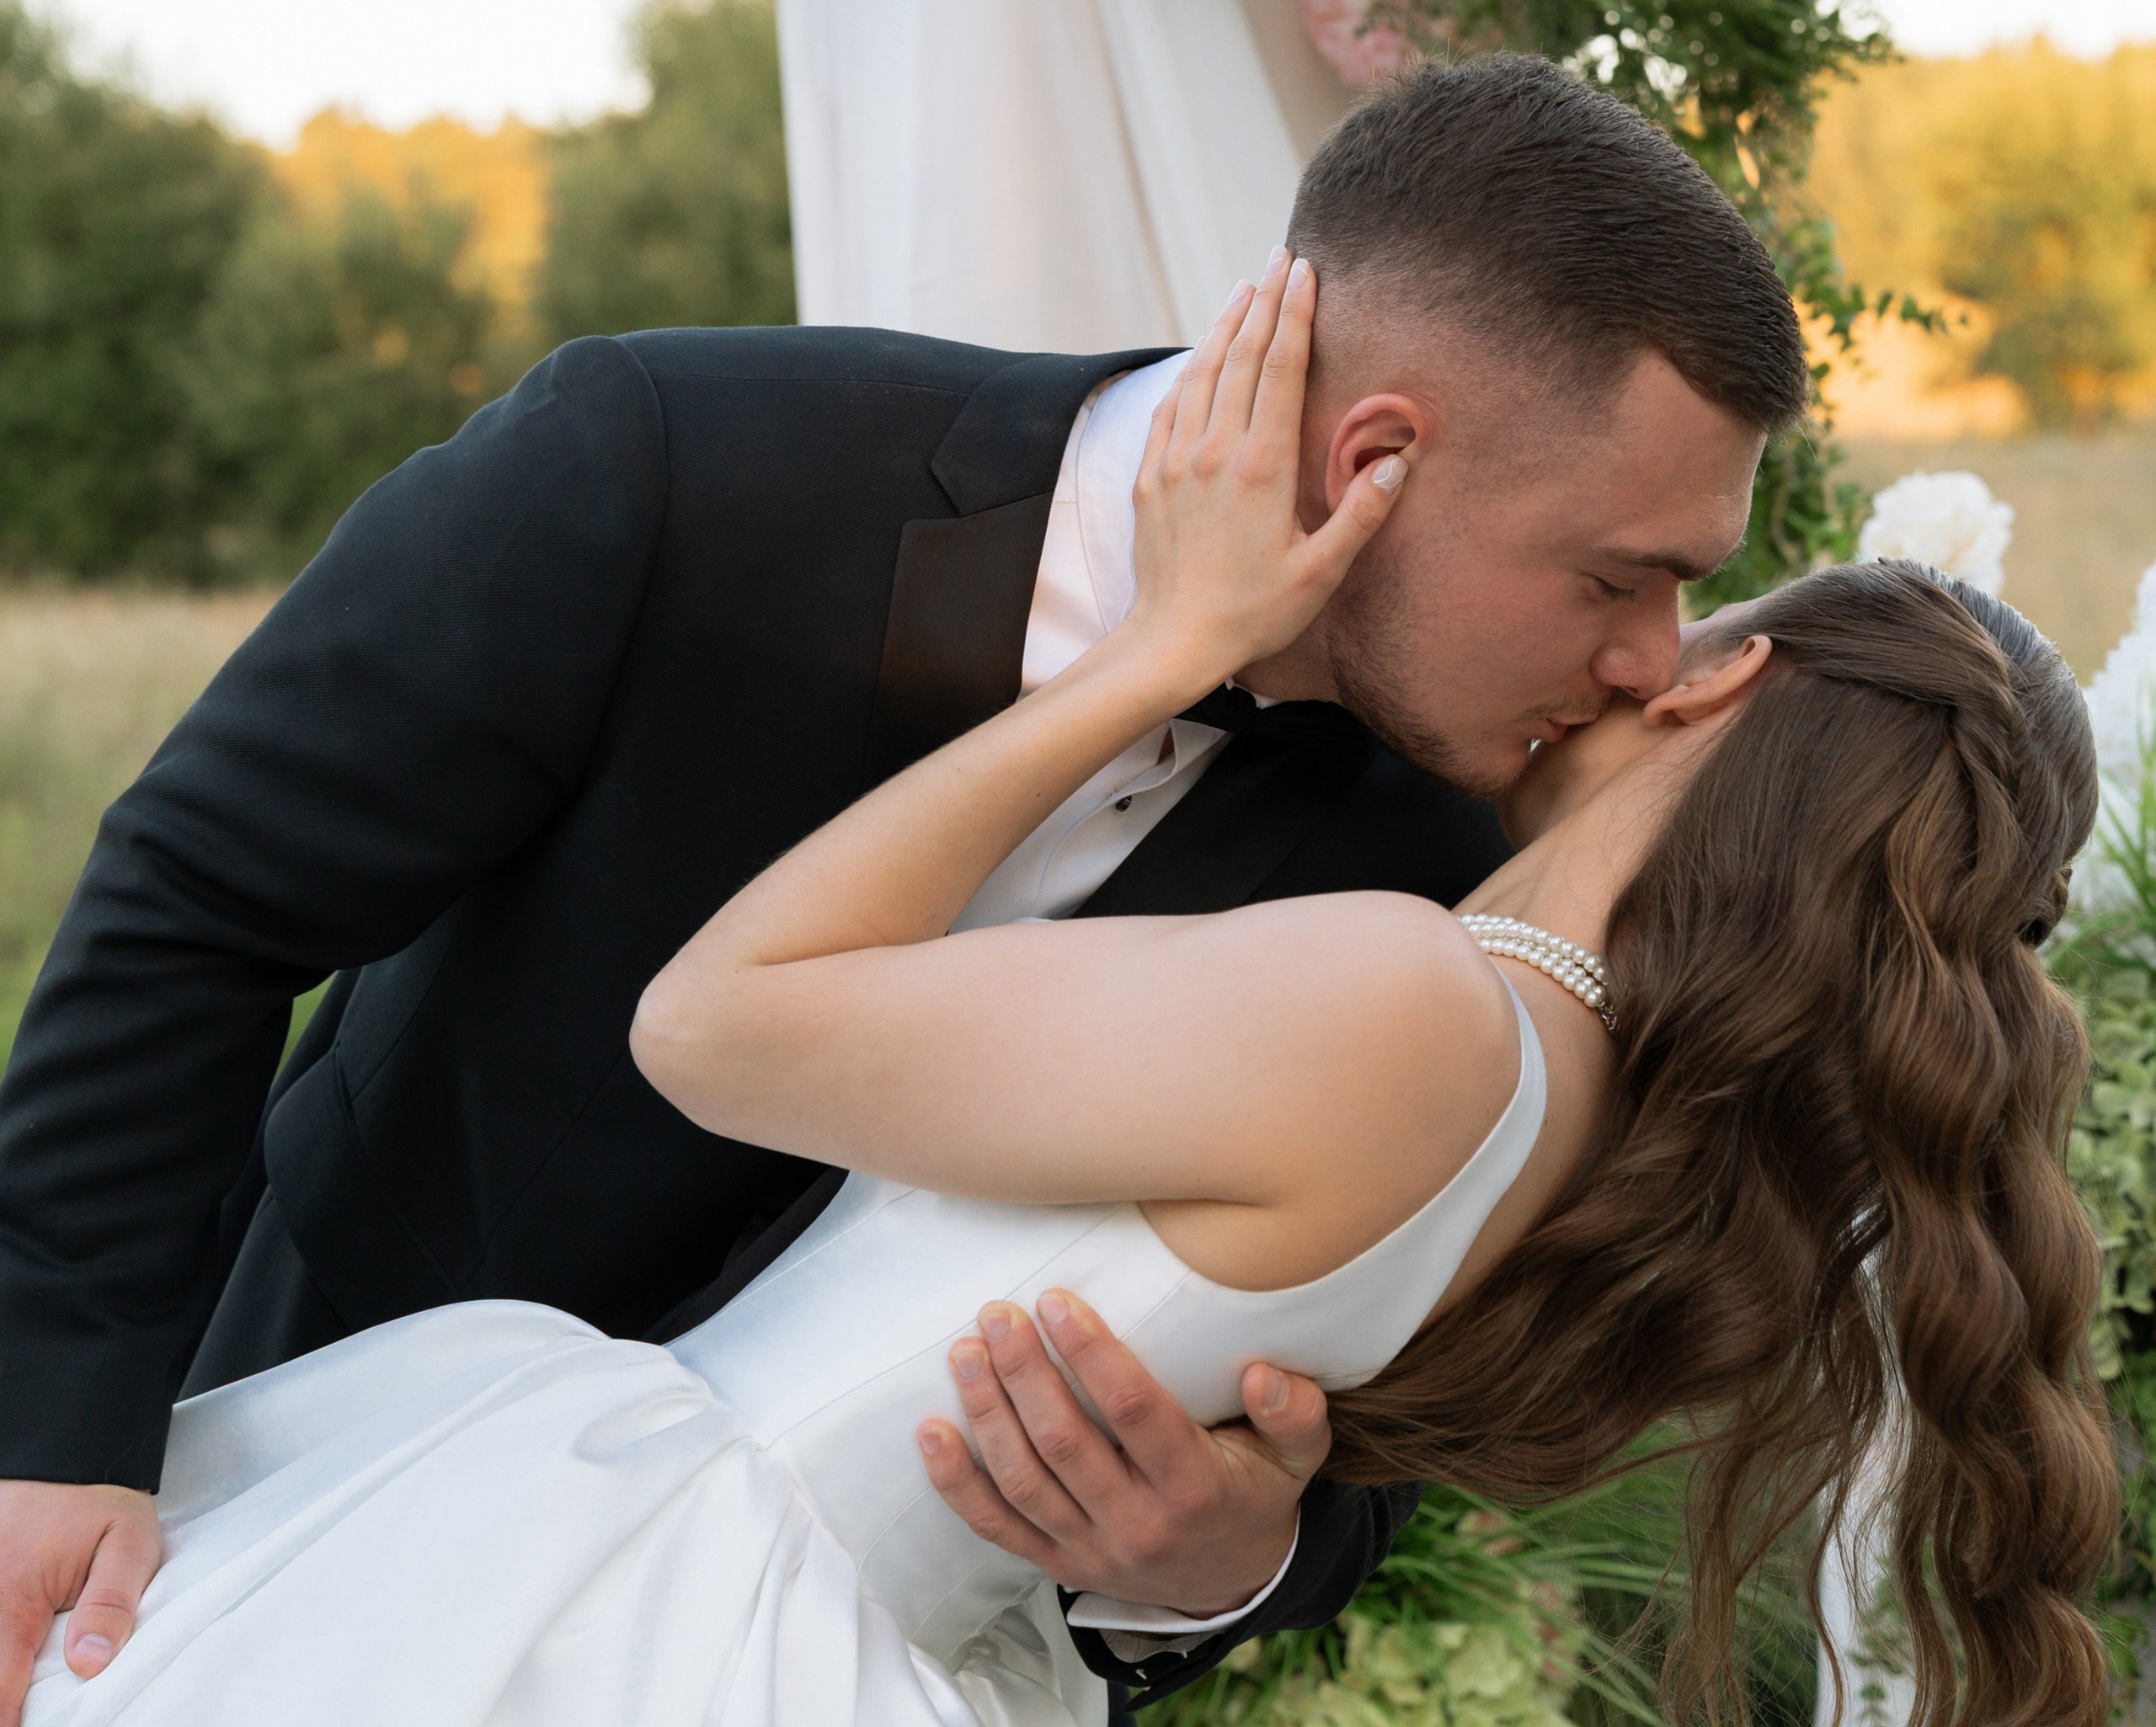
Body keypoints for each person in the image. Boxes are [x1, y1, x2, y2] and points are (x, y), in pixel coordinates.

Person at [13, 261, 2117, 1727]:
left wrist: (1221, 1557)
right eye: (1621, 576)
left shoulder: (1430, 937)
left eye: (1682, 599)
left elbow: (723, 1024)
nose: (1642, 650)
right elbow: (202, 890)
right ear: (1376, 446)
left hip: (684, 1598)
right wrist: (56, 1431)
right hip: (418, 1473)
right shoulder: (680, 454)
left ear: (1744, 684)